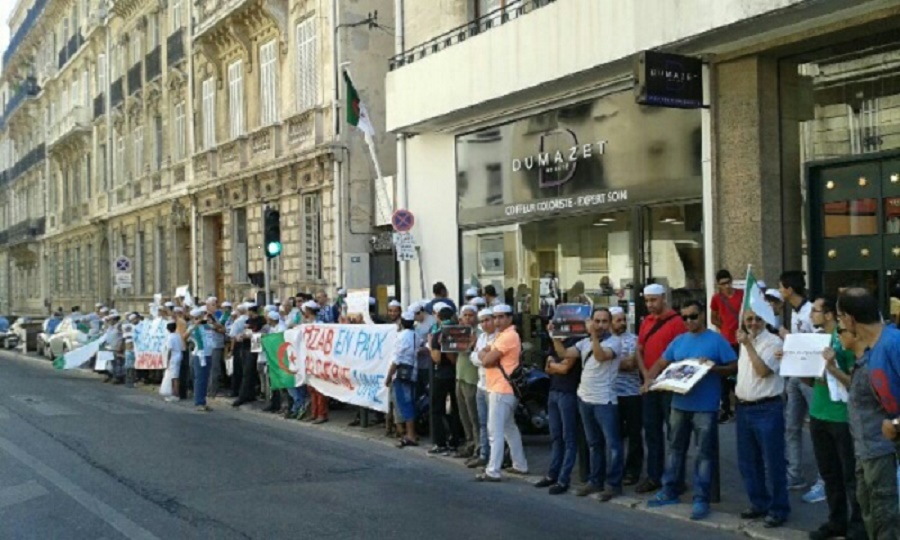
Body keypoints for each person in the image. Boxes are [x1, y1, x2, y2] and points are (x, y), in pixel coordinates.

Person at [646, 300, 737, 521]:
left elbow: (734, 366)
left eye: (693, 316)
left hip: (705, 406)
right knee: (675, 449)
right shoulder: (679, 341)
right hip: (679, 404)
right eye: (684, 317)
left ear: (702, 315)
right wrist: (650, 378)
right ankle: (670, 490)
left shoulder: (716, 340)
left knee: (703, 454)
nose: (689, 321)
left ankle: (701, 498)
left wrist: (713, 368)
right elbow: (661, 362)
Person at [836, 288, 900, 539]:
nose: (839, 324)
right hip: (878, 449)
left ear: (850, 319)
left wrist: (896, 422)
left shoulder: (893, 343)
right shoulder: (872, 352)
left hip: (886, 451)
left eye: (839, 317)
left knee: (888, 521)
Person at [550, 307, 624, 500]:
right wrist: (554, 335)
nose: (599, 325)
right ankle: (595, 481)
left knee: (613, 444)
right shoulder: (584, 342)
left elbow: (600, 356)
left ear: (609, 324)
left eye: (604, 322)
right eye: (596, 321)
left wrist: (592, 335)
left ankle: (614, 484)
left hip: (605, 400)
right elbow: (565, 352)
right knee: (594, 443)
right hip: (585, 398)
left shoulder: (615, 342)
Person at [807, 296, 864, 540]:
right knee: (829, 474)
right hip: (818, 413)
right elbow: (811, 380)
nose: (811, 316)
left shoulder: (846, 339)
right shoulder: (813, 340)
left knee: (850, 475)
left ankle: (858, 526)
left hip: (842, 417)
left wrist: (832, 367)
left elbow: (855, 384)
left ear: (829, 314)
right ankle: (836, 521)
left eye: (816, 311)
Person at [733, 309, 790, 529]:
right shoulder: (744, 340)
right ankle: (759, 503)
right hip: (744, 407)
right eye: (749, 319)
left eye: (758, 319)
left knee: (773, 462)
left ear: (765, 320)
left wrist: (747, 345)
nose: (753, 323)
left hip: (767, 408)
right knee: (748, 461)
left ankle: (779, 508)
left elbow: (763, 371)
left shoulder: (773, 342)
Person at [635, 284, 688, 494]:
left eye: (653, 300)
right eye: (647, 301)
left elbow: (679, 354)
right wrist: (646, 374)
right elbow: (639, 349)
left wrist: (655, 375)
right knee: (651, 432)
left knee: (674, 434)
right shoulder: (646, 322)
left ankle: (677, 478)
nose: (649, 305)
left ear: (663, 298)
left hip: (669, 385)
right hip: (650, 384)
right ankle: (654, 476)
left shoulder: (677, 322)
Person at [778, 270, 825, 502]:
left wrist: (789, 340)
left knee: (818, 429)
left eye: (781, 287)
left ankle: (824, 479)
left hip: (810, 379)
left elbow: (816, 344)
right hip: (795, 375)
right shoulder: (795, 312)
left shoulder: (809, 312)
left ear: (789, 289)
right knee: (791, 426)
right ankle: (794, 474)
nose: (779, 291)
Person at [475, 304, 528, 482]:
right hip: (502, 388)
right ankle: (519, 464)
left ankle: (493, 470)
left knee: (495, 431)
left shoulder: (509, 336)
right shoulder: (504, 335)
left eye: (501, 317)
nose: (497, 321)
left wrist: (483, 355)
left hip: (501, 388)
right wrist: (484, 354)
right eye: (495, 317)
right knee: (509, 428)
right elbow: (486, 354)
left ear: (509, 318)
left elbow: (487, 359)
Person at [535, 326, 581, 495]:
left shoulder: (575, 342)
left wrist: (555, 365)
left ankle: (564, 478)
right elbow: (548, 368)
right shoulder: (554, 345)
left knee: (568, 437)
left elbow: (565, 367)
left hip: (568, 393)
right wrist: (556, 365)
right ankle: (552, 474)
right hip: (554, 391)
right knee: (555, 436)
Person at [427, 302, 464, 455]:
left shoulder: (437, 334)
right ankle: (455, 440)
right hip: (456, 374)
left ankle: (440, 442)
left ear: (439, 317)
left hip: (440, 375)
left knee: (437, 409)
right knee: (456, 409)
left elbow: (436, 358)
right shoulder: (460, 332)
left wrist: (430, 345)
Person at [611, 306, 642, 486]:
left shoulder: (633, 340)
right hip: (611, 394)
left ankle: (633, 471)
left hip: (631, 393)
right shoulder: (605, 341)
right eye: (618, 320)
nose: (622, 323)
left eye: (624, 320)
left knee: (634, 435)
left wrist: (609, 360)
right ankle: (617, 469)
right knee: (615, 435)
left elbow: (632, 363)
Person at [710, 269, 743, 424]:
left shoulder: (741, 294)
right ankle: (726, 409)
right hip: (725, 341)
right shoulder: (717, 298)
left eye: (729, 282)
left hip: (740, 340)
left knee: (739, 374)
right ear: (719, 285)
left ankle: (740, 405)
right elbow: (713, 317)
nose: (727, 286)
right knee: (725, 377)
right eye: (723, 284)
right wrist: (724, 327)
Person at [387, 310, 420, 448]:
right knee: (410, 402)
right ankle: (410, 433)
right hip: (413, 371)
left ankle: (410, 435)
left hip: (402, 373)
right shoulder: (416, 336)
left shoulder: (402, 337)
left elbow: (396, 359)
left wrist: (388, 376)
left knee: (405, 404)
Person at [467, 307, 494, 469]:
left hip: (494, 387)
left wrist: (481, 357)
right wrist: (481, 356)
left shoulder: (498, 337)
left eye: (487, 320)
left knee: (495, 425)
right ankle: (484, 454)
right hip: (481, 384)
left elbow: (488, 360)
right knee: (483, 422)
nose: (485, 324)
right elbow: (474, 357)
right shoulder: (482, 337)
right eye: (482, 321)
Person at [454, 305, 481, 459]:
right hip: (460, 376)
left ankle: (478, 446)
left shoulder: (480, 334)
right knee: (463, 414)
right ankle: (470, 442)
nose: (468, 318)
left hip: (473, 378)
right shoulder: (458, 333)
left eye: (471, 315)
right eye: (466, 315)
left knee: (474, 415)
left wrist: (472, 345)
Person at [188, 308, 213, 412]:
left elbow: (220, 329)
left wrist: (211, 320)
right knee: (200, 379)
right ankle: (199, 402)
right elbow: (184, 337)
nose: (202, 318)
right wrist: (195, 325)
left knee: (205, 379)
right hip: (200, 355)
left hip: (208, 354)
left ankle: (202, 400)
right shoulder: (192, 328)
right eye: (199, 317)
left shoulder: (207, 327)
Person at [164, 321, 183, 402]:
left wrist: (167, 360)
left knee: (174, 377)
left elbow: (169, 350)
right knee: (175, 376)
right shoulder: (178, 335)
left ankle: (175, 394)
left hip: (173, 357)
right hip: (179, 355)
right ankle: (174, 393)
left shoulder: (170, 337)